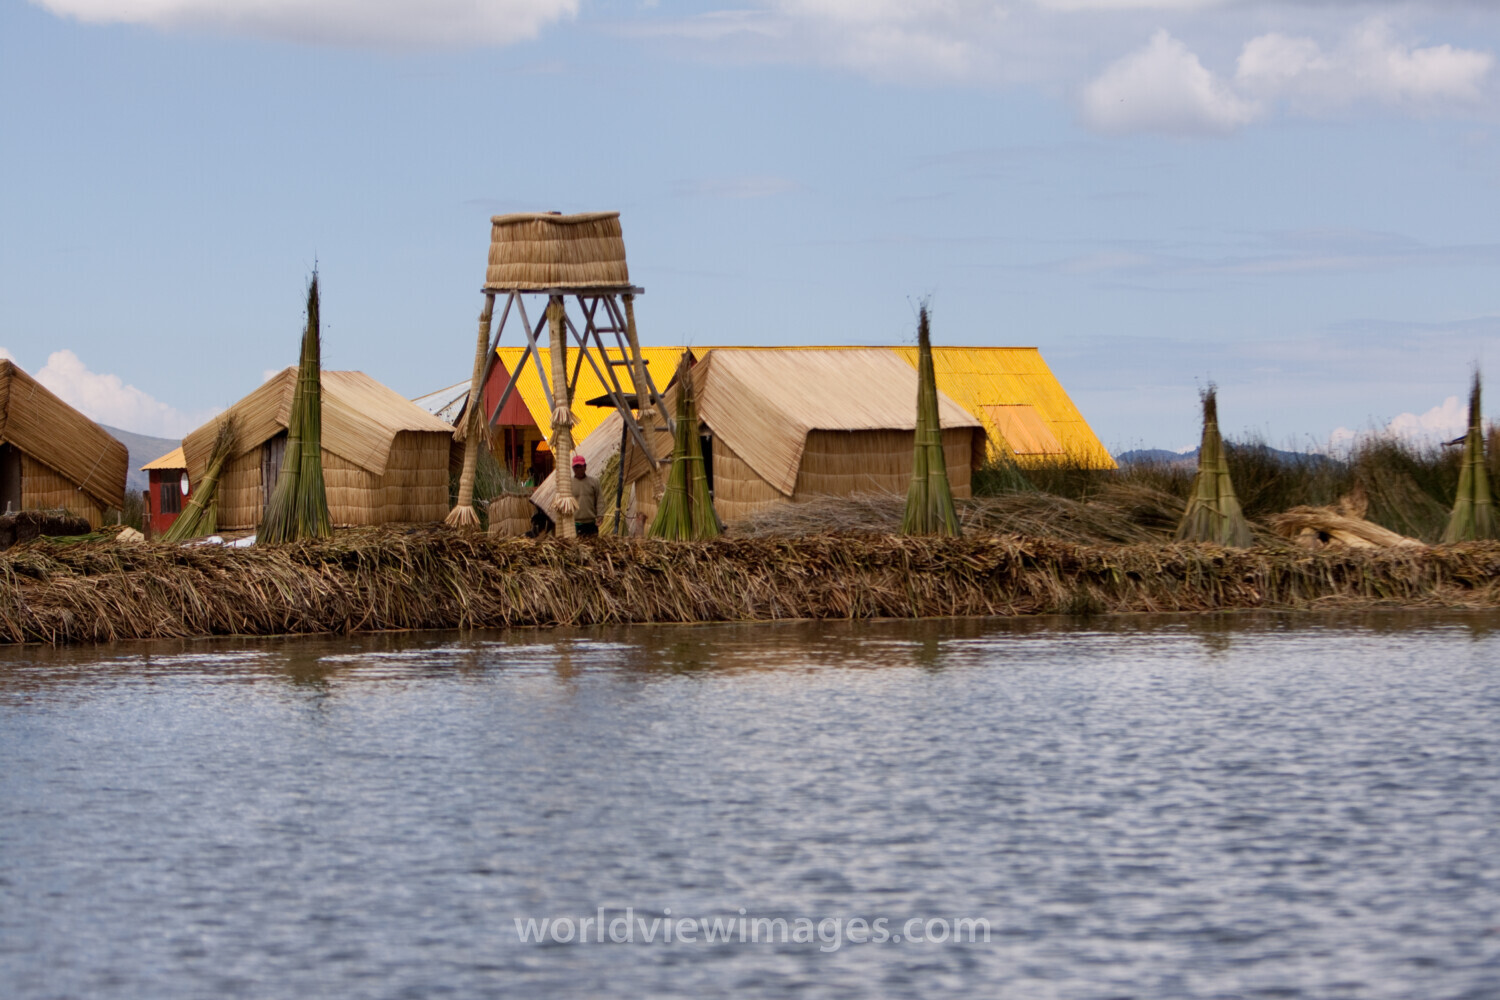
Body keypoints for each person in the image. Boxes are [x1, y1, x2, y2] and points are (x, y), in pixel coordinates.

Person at [569, 454, 602, 537]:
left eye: (580, 466)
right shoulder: (568, 484)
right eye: (576, 467)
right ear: (573, 468)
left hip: (591, 522)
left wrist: (600, 515)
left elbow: (599, 499)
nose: (578, 469)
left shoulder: (594, 482)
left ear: (585, 467)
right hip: (575, 523)